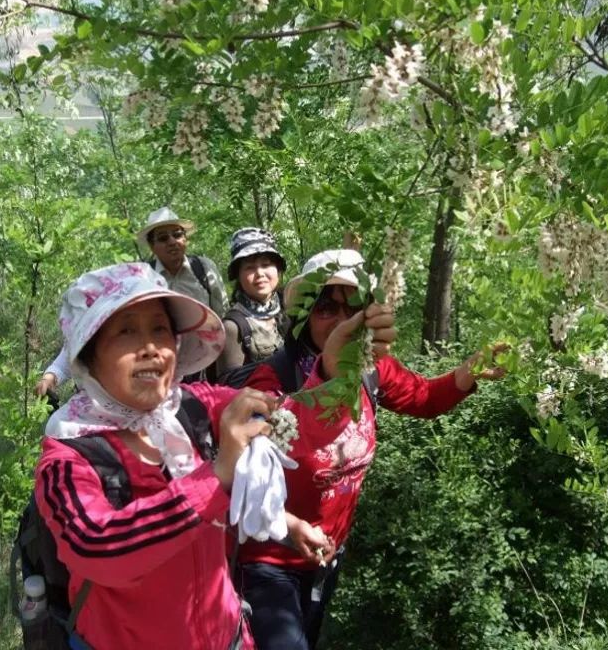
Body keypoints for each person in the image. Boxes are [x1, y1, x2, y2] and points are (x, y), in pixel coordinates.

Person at [32, 261, 390, 650]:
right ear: (88, 354)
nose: (151, 347)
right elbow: (99, 548)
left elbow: (290, 423)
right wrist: (216, 476)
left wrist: (336, 375)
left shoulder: (191, 409)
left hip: (229, 636)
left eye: (160, 329)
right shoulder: (69, 458)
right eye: (126, 331)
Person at [234, 249, 509, 650]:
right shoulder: (272, 377)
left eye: (354, 307)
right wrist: (327, 373)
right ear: (305, 316)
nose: (342, 319)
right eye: (326, 306)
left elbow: (425, 398)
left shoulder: (373, 369)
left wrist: (468, 371)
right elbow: (257, 451)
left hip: (327, 554)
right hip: (269, 557)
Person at [35, 206, 227, 395]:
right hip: (154, 373)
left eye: (177, 234)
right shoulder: (140, 280)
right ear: (152, 246)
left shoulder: (204, 270)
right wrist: (53, 375)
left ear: (185, 238)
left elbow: (221, 318)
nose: (172, 242)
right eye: (162, 238)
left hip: (203, 367)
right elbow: (87, 334)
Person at [217, 227, 289, 378]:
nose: (260, 274)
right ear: (238, 276)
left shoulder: (291, 308)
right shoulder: (233, 327)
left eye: (266, 265)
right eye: (250, 267)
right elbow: (230, 388)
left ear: (278, 269)